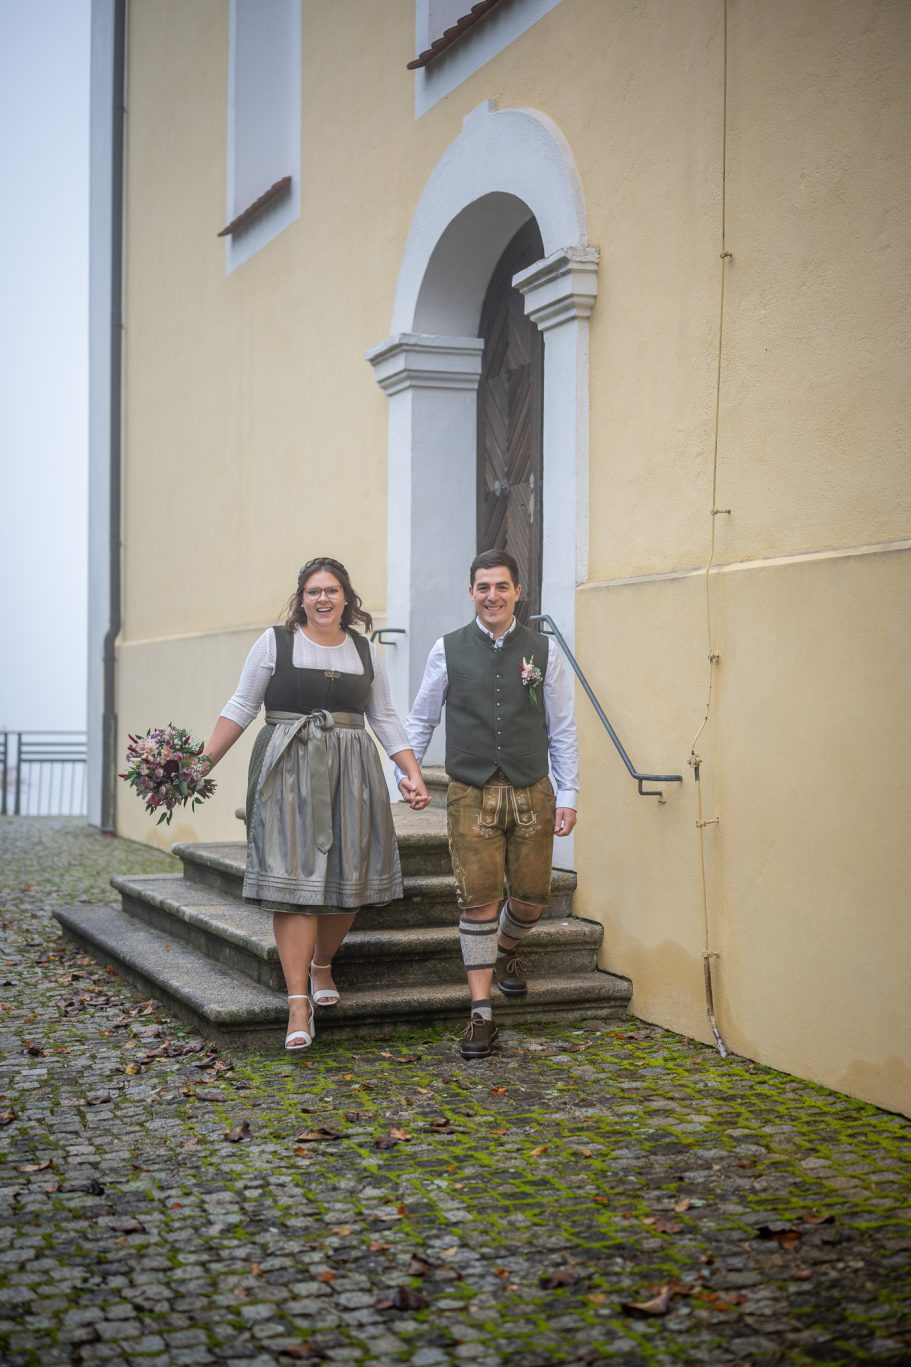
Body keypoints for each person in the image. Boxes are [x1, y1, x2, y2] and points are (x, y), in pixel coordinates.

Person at [203, 557, 430, 1052]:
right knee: (295, 884)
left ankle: (323, 962)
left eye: (331, 590)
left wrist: (409, 772)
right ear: (300, 598)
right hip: (285, 769)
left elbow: (385, 717)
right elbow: (242, 705)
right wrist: (200, 766)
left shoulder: (366, 651)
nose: (322, 599)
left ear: (347, 598)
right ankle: (297, 1002)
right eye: (312, 591)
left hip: (353, 773)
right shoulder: (275, 643)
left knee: (350, 877)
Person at [397, 549, 578, 1059]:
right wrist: (406, 775)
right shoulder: (447, 649)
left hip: (531, 789)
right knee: (478, 901)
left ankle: (506, 950)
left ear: (518, 591)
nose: (492, 596)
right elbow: (421, 720)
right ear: (471, 592)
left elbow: (561, 729)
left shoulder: (544, 651)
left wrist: (569, 794)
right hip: (470, 791)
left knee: (531, 899)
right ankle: (481, 1014)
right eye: (483, 587)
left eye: (501, 586)